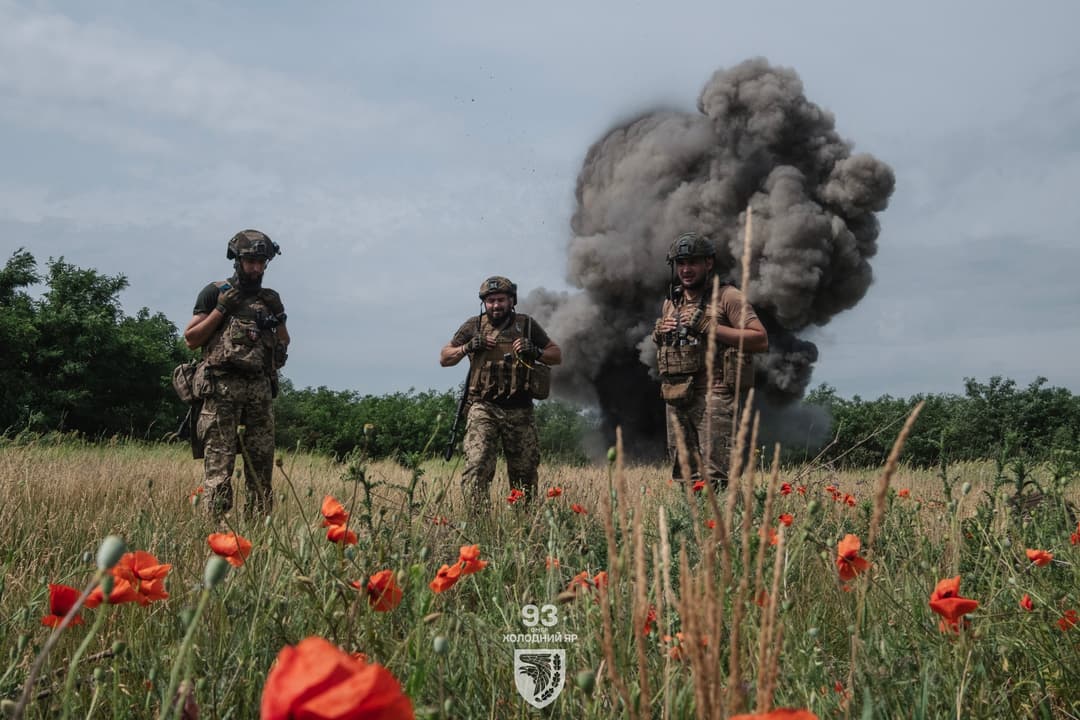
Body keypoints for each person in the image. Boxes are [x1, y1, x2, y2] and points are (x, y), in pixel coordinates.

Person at [183, 229, 290, 519]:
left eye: (261, 262)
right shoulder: (216, 292)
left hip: (259, 392)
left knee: (261, 470)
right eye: (250, 261)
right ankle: (217, 534)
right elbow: (191, 339)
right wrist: (221, 310)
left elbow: (284, 344)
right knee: (219, 467)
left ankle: (257, 532)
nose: (256, 268)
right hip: (222, 393)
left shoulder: (269, 299)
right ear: (237, 260)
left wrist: (280, 317)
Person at [653, 232, 768, 489]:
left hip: (714, 396)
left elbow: (760, 339)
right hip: (677, 395)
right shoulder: (672, 302)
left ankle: (722, 527)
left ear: (708, 263)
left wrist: (709, 327)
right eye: (681, 263)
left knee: (718, 478)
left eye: (693, 262)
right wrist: (660, 332)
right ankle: (692, 528)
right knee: (684, 475)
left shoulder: (728, 297)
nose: (686, 269)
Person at [440, 276, 561, 509]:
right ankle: (478, 526)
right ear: (484, 303)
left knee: (524, 473)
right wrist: (467, 347)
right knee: (477, 466)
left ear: (511, 300)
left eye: (501, 300)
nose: (496, 305)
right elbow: (445, 357)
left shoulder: (525, 325)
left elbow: (556, 355)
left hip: (520, 409)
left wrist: (534, 351)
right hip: (483, 407)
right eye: (491, 300)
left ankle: (524, 526)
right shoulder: (473, 326)